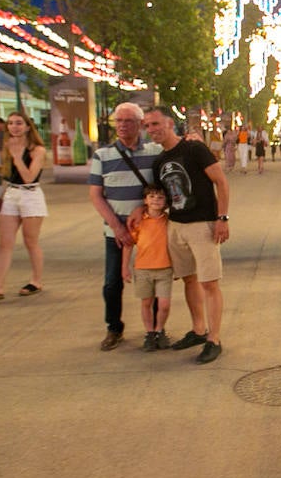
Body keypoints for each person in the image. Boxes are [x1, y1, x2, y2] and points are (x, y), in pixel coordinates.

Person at [142, 106, 231, 365]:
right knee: (189, 280)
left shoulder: (194, 149)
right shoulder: (159, 162)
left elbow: (221, 182)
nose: (152, 130)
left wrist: (222, 218)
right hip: (176, 225)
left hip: (202, 224)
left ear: (170, 124)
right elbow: (161, 195)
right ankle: (199, 329)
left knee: (209, 283)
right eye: (147, 126)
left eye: (156, 124)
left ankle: (214, 339)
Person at [88, 102, 162, 351]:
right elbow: (96, 195)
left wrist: (142, 208)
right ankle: (113, 327)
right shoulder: (103, 155)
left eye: (128, 121)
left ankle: (154, 330)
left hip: (149, 232)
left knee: (152, 280)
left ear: (140, 124)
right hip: (115, 232)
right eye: (118, 121)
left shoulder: (154, 152)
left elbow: (160, 189)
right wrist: (117, 227)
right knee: (112, 283)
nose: (121, 125)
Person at [0, 112, 47, 300]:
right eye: (10, 123)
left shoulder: (37, 150)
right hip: (11, 194)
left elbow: (29, 177)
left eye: (18, 123)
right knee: (5, 243)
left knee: (30, 241)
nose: (14, 126)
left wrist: (17, 156)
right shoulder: (8, 146)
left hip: (31, 195)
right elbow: (10, 175)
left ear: (27, 127)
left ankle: (36, 281)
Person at [124, 184, 175, 351]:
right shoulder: (139, 222)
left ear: (166, 201)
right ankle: (150, 333)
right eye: (152, 197)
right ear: (145, 200)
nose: (156, 201)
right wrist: (124, 267)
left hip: (164, 268)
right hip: (143, 268)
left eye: (160, 197)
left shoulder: (169, 221)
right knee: (146, 302)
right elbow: (129, 245)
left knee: (164, 304)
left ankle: (160, 329)